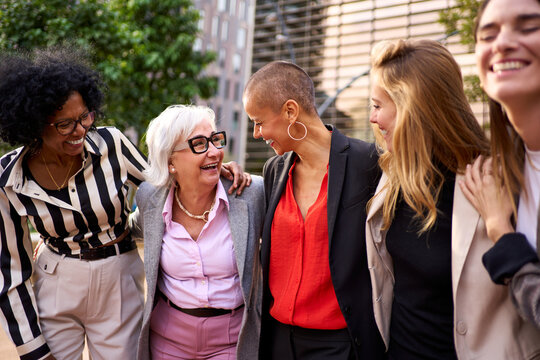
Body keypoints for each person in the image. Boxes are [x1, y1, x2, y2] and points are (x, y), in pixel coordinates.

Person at [0, 47, 249, 360]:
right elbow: (10, 273)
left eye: (85, 117)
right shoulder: (8, 180)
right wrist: (33, 350)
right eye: (65, 124)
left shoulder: (111, 145)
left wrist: (215, 171)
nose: (80, 131)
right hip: (56, 280)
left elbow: (166, 186)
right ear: (35, 124)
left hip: (119, 278)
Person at [366, 38, 540, 359]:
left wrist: (499, 227)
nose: (373, 120)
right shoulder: (391, 175)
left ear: (412, 111)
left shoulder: (500, 182)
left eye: (378, 106)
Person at [243, 61, 385, 360]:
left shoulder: (368, 163)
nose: (257, 133)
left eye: (259, 121)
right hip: (278, 341)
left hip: (341, 346)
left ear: (291, 111)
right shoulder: (274, 170)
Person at [131, 104, 265, 360]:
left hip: (231, 340)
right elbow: (129, 229)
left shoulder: (250, 193)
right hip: (168, 337)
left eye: (216, 140)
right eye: (200, 144)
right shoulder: (151, 198)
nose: (215, 152)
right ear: (170, 161)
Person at [460, 0, 540, 328]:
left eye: (529, 26)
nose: (503, 43)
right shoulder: (504, 170)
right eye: (488, 34)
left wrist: (501, 231)